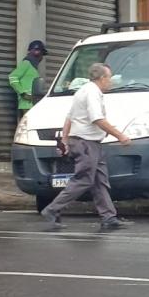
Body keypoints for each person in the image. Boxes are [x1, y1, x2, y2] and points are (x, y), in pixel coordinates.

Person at [41, 63, 132, 230]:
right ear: (102, 78)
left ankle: (108, 217)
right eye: (109, 78)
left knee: (100, 181)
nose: (111, 82)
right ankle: (52, 210)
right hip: (86, 143)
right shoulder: (92, 93)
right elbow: (97, 119)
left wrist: (66, 139)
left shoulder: (83, 91)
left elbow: (70, 118)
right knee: (83, 180)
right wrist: (120, 136)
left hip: (90, 143)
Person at [8, 40, 48, 120]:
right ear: (36, 52)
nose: (42, 57)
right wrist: (23, 93)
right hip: (26, 104)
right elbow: (12, 77)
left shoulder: (33, 67)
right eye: (42, 54)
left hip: (32, 103)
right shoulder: (26, 63)